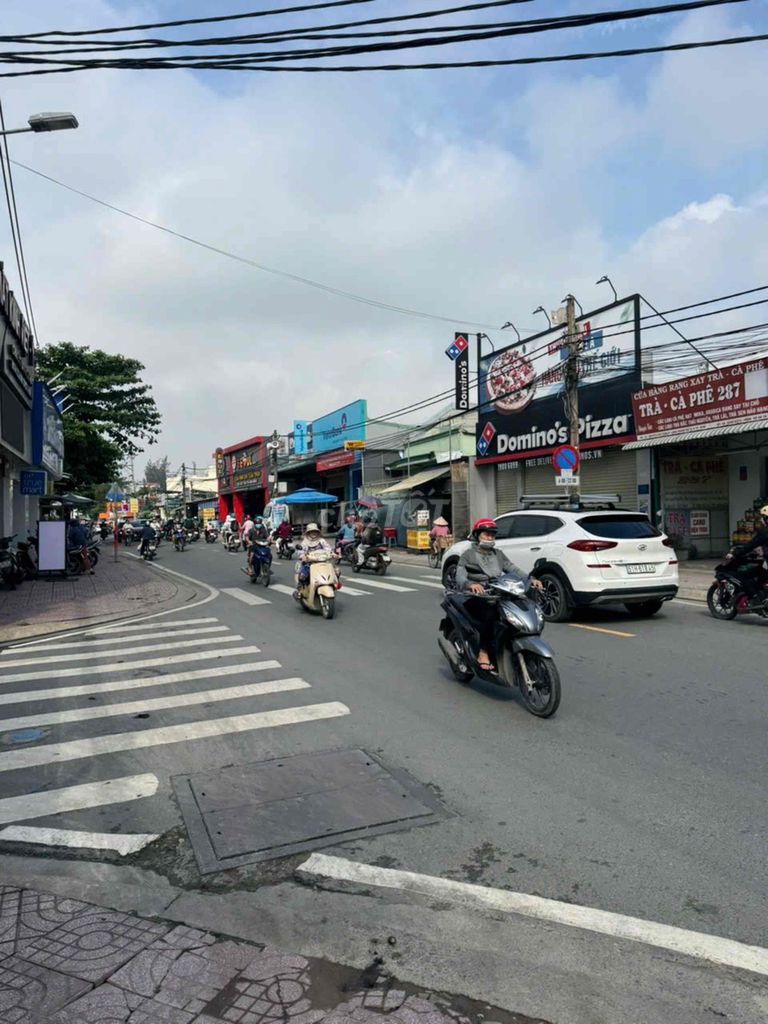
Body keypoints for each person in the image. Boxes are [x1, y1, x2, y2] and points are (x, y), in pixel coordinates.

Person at [455, 518, 542, 672]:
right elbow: (460, 576)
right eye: (486, 534)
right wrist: (470, 584)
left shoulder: (498, 554)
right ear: (477, 535)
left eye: (492, 534)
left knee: (522, 608)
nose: (490, 537)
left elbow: (513, 569)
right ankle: (483, 652)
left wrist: (531, 579)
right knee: (490, 616)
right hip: (477, 595)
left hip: (498, 591)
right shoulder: (468, 555)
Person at [295, 522, 332, 596]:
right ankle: (300, 589)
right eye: (312, 531)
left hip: (323, 563)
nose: (313, 533)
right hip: (309, 563)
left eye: (315, 531)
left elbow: (328, 548)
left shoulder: (322, 541)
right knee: (303, 575)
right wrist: (302, 556)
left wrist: (332, 554)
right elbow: (300, 551)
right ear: (308, 533)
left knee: (336, 571)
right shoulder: (305, 542)